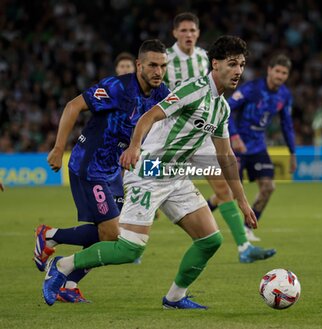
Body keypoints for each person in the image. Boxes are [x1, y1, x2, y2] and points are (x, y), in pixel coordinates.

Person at [42, 35, 257, 309]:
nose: (238, 70)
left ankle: (175, 298)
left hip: (176, 175)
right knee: (129, 249)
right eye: (232, 64)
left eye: (241, 64)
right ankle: (61, 266)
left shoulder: (221, 108)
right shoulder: (193, 90)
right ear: (215, 64)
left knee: (210, 240)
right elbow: (149, 116)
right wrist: (133, 147)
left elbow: (226, 156)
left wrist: (242, 200)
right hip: (150, 170)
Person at [34, 39, 169, 303]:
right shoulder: (117, 87)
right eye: (152, 65)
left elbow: (156, 143)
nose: (158, 71)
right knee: (112, 233)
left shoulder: (160, 94)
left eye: (163, 66)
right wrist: (58, 148)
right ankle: (50, 236)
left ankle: (69, 284)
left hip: (115, 173)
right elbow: (73, 106)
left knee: (114, 237)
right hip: (89, 167)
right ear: (139, 64)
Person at [164, 12, 275, 262]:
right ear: (174, 33)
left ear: (198, 33)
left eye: (192, 30)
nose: (188, 35)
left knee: (223, 186)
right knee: (149, 179)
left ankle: (244, 248)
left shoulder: (206, 57)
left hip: (202, 137)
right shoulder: (166, 59)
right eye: (183, 31)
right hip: (172, 138)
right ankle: (126, 236)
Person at [209, 53, 297, 241]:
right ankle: (205, 210)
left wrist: (292, 152)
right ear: (269, 70)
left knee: (268, 187)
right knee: (230, 192)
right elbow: (227, 109)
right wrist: (234, 136)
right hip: (236, 147)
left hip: (258, 147)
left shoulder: (285, 95)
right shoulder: (251, 89)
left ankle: (248, 227)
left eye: (284, 73)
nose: (280, 76)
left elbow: (287, 125)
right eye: (278, 71)